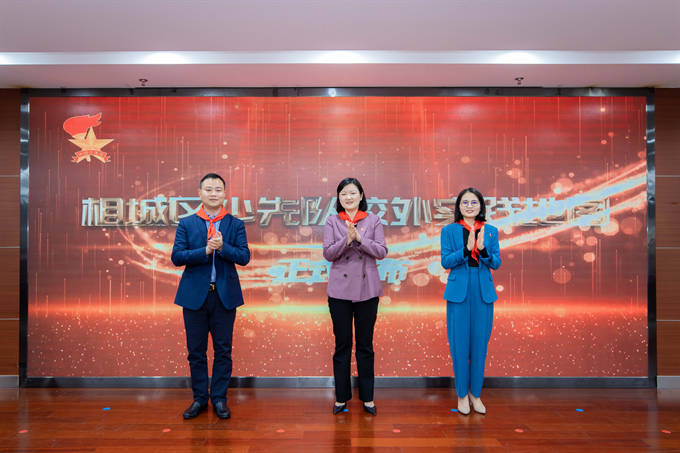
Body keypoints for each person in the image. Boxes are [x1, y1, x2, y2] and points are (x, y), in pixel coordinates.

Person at [171, 173, 251, 420]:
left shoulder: (235, 224)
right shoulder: (187, 223)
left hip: (224, 296)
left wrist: (223, 248)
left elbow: (244, 257)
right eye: (208, 189)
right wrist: (205, 250)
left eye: (218, 189)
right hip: (194, 296)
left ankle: (219, 399)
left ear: (225, 194)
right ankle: (199, 399)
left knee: (223, 351)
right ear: (200, 193)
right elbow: (177, 257)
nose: (213, 193)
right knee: (196, 351)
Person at [323, 178, 388, 416]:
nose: (348, 197)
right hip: (339, 292)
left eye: (352, 193)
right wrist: (347, 239)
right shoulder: (333, 221)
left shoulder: (373, 220)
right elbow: (328, 253)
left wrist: (361, 239)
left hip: (367, 290)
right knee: (342, 345)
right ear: (338, 198)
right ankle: (341, 397)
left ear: (361, 195)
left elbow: (382, 251)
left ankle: (368, 398)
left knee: (365, 345)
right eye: (343, 194)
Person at [440, 188, 501, 415]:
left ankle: (475, 394)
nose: (469, 206)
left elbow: (496, 263)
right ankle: (461, 395)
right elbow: (446, 261)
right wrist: (466, 250)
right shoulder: (449, 230)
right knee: (459, 345)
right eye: (464, 202)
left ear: (481, 205)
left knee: (479, 346)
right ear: (458, 206)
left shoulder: (491, 230)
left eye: (474, 202)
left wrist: (482, 250)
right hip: (459, 291)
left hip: (483, 291)